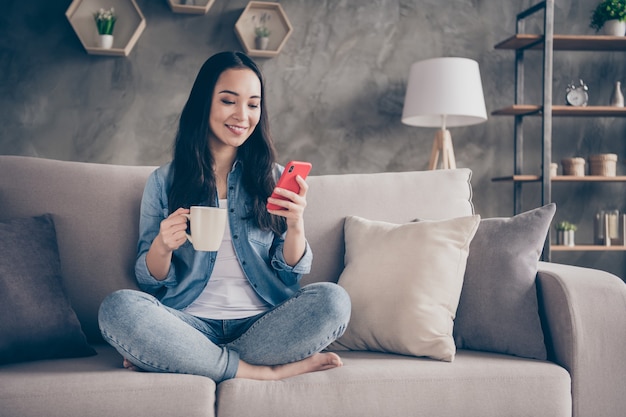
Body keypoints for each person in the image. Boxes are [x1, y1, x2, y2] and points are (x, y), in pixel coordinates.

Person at [98, 51, 351, 382]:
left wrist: (296, 225)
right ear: (205, 103)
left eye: (253, 104)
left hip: (263, 324)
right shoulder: (164, 181)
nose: (242, 115)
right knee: (118, 309)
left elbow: (290, 276)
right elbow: (149, 280)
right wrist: (163, 245)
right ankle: (263, 372)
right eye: (229, 101)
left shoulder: (273, 178)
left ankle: (190, 360)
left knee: (335, 300)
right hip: (189, 324)